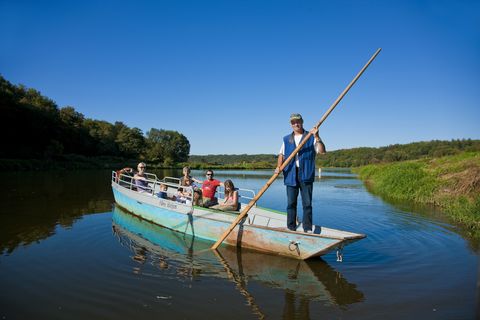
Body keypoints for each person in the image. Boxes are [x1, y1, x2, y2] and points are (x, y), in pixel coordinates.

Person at [275, 113, 326, 233]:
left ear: (302, 122)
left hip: (306, 174)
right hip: (290, 174)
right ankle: (291, 227)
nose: (296, 124)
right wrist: (278, 167)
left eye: (297, 121)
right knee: (291, 203)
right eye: (293, 122)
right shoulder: (286, 139)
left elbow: (322, 151)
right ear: (291, 124)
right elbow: (281, 155)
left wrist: (317, 136)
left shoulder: (311, 136)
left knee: (307, 204)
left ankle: (307, 228)